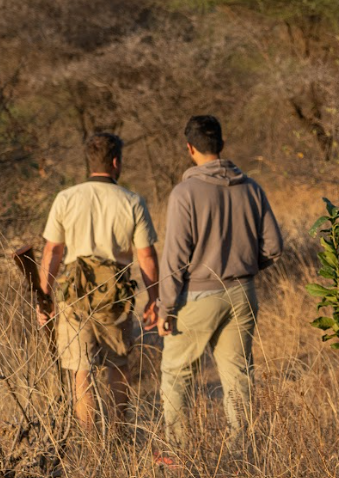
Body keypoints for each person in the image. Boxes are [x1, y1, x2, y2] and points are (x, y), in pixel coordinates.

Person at [158, 115, 283, 448]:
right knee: (238, 378)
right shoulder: (252, 187)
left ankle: (179, 455)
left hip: (196, 296)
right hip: (243, 293)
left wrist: (165, 307)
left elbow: (174, 259)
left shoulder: (185, 193)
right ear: (222, 145)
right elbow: (274, 246)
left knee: (176, 377)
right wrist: (245, 266)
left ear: (189, 148)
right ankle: (241, 454)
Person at [37, 132, 159, 430]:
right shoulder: (132, 201)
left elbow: (52, 251)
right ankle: (118, 432)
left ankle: (91, 443)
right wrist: (154, 299)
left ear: (89, 162)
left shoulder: (65, 198)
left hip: (74, 295)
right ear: (116, 162)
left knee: (82, 372)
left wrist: (44, 296)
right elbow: (146, 256)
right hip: (114, 295)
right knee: (118, 366)